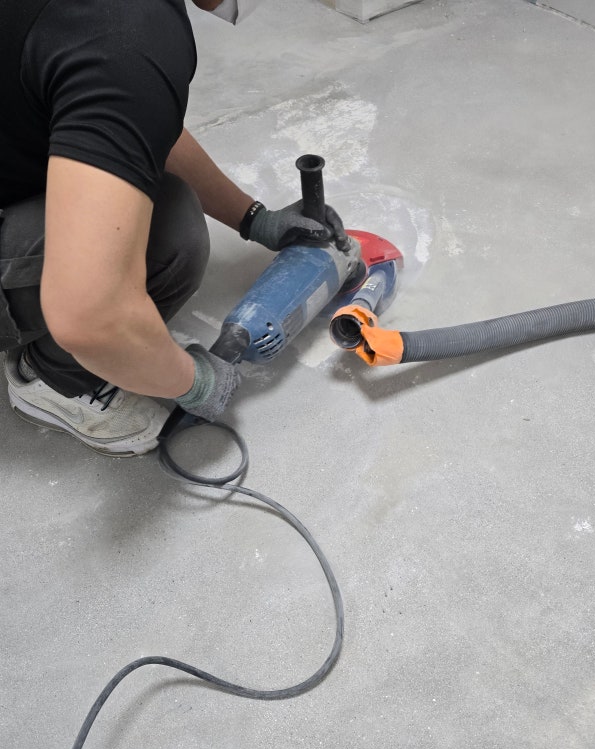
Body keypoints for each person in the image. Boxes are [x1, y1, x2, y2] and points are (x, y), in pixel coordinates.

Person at [0, 0, 345, 456]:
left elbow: (128, 120)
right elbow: (91, 318)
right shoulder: (127, 30)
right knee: (167, 234)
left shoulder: (111, 36)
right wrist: (190, 381)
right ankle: (52, 379)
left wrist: (253, 217)